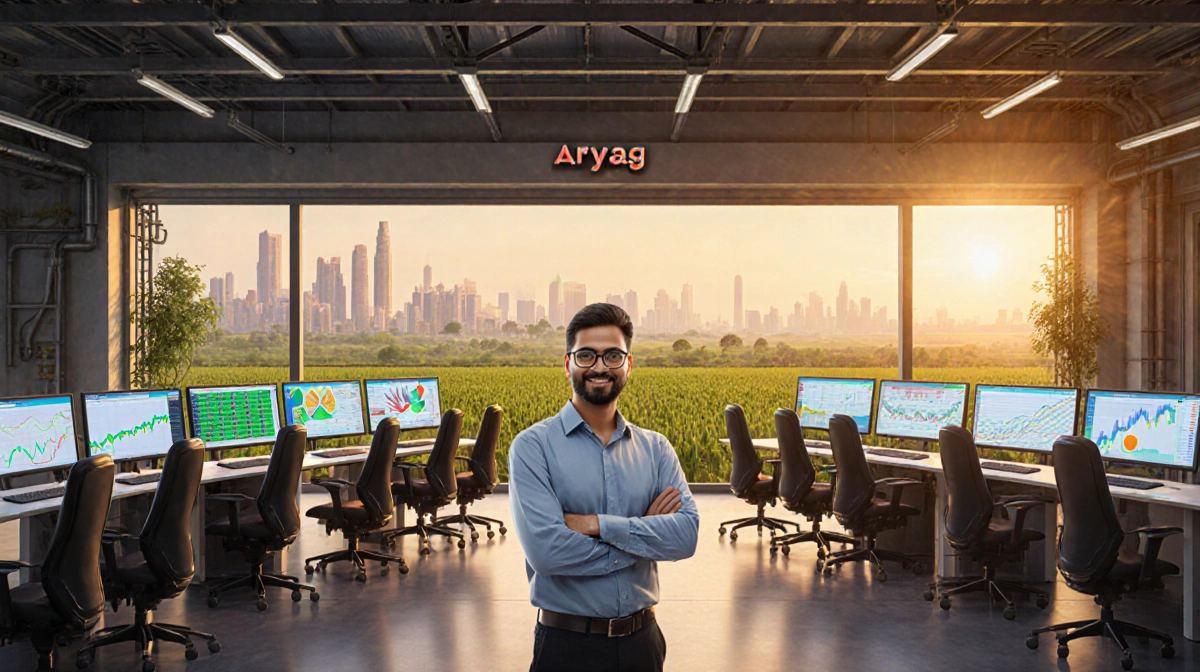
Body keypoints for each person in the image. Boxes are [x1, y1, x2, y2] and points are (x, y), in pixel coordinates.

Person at [509, 302, 699, 672]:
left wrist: (597, 525)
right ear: (568, 364)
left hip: (643, 644)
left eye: (613, 355)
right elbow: (546, 553)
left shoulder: (656, 448)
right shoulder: (533, 447)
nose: (599, 366)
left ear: (629, 364)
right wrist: (642, 535)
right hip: (566, 646)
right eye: (586, 355)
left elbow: (685, 537)